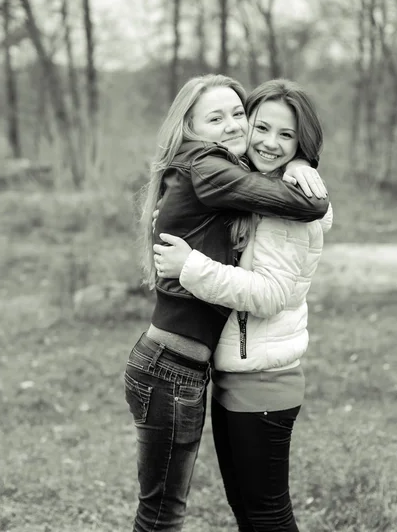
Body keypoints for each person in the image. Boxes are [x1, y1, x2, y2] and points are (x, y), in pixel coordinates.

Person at [124, 74, 329, 532]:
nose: (263, 139)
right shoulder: (223, 179)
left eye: (286, 135)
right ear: (193, 128)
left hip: (256, 379)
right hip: (197, 369)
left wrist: (191, 265)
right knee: (237, 514)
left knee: (259, 516)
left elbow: (272, 293)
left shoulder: (276, 202)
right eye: (261, 126)